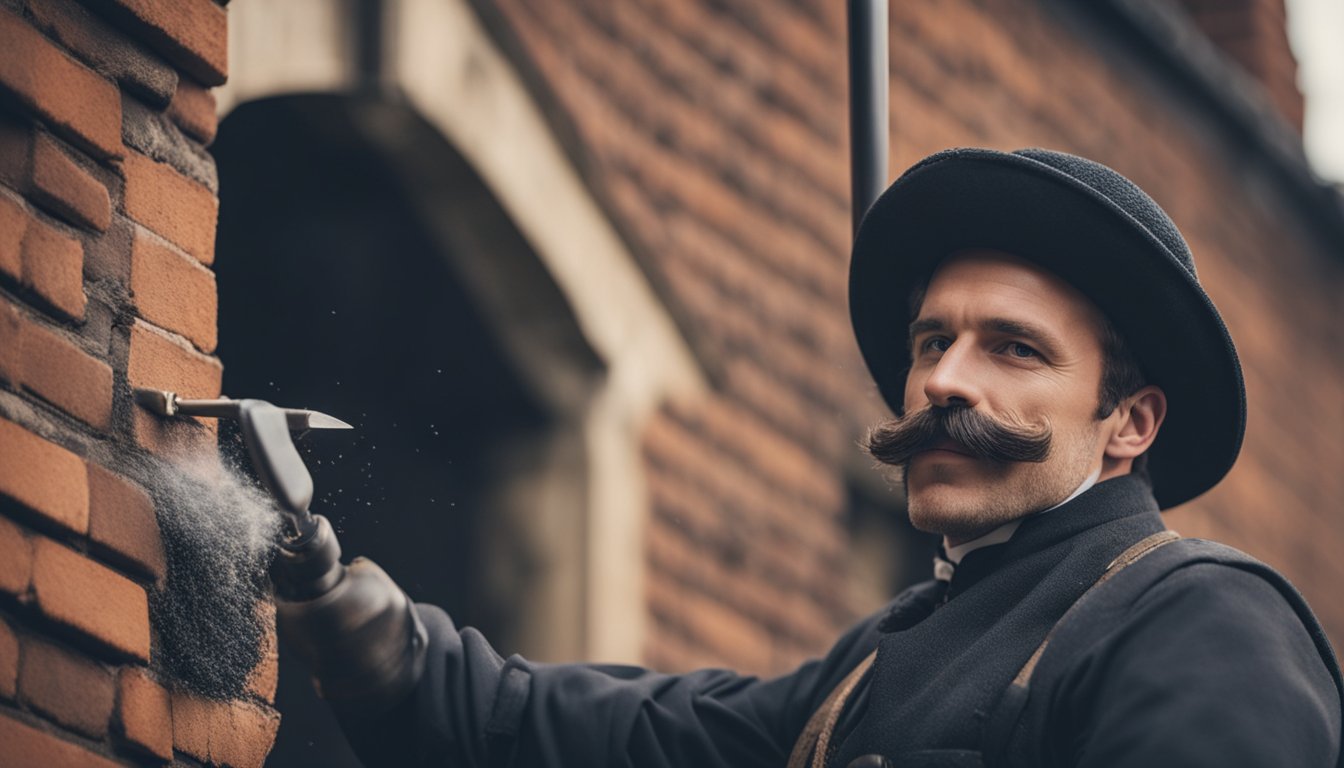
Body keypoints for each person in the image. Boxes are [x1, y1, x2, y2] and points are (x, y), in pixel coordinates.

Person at [279, 148, 1343, 767]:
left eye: (1014, 349)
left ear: (1132, 424)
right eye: (934, 342)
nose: (944, 382)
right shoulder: (869, 669)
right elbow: (625, 740)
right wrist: (380, 637)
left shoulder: (1203, 619)